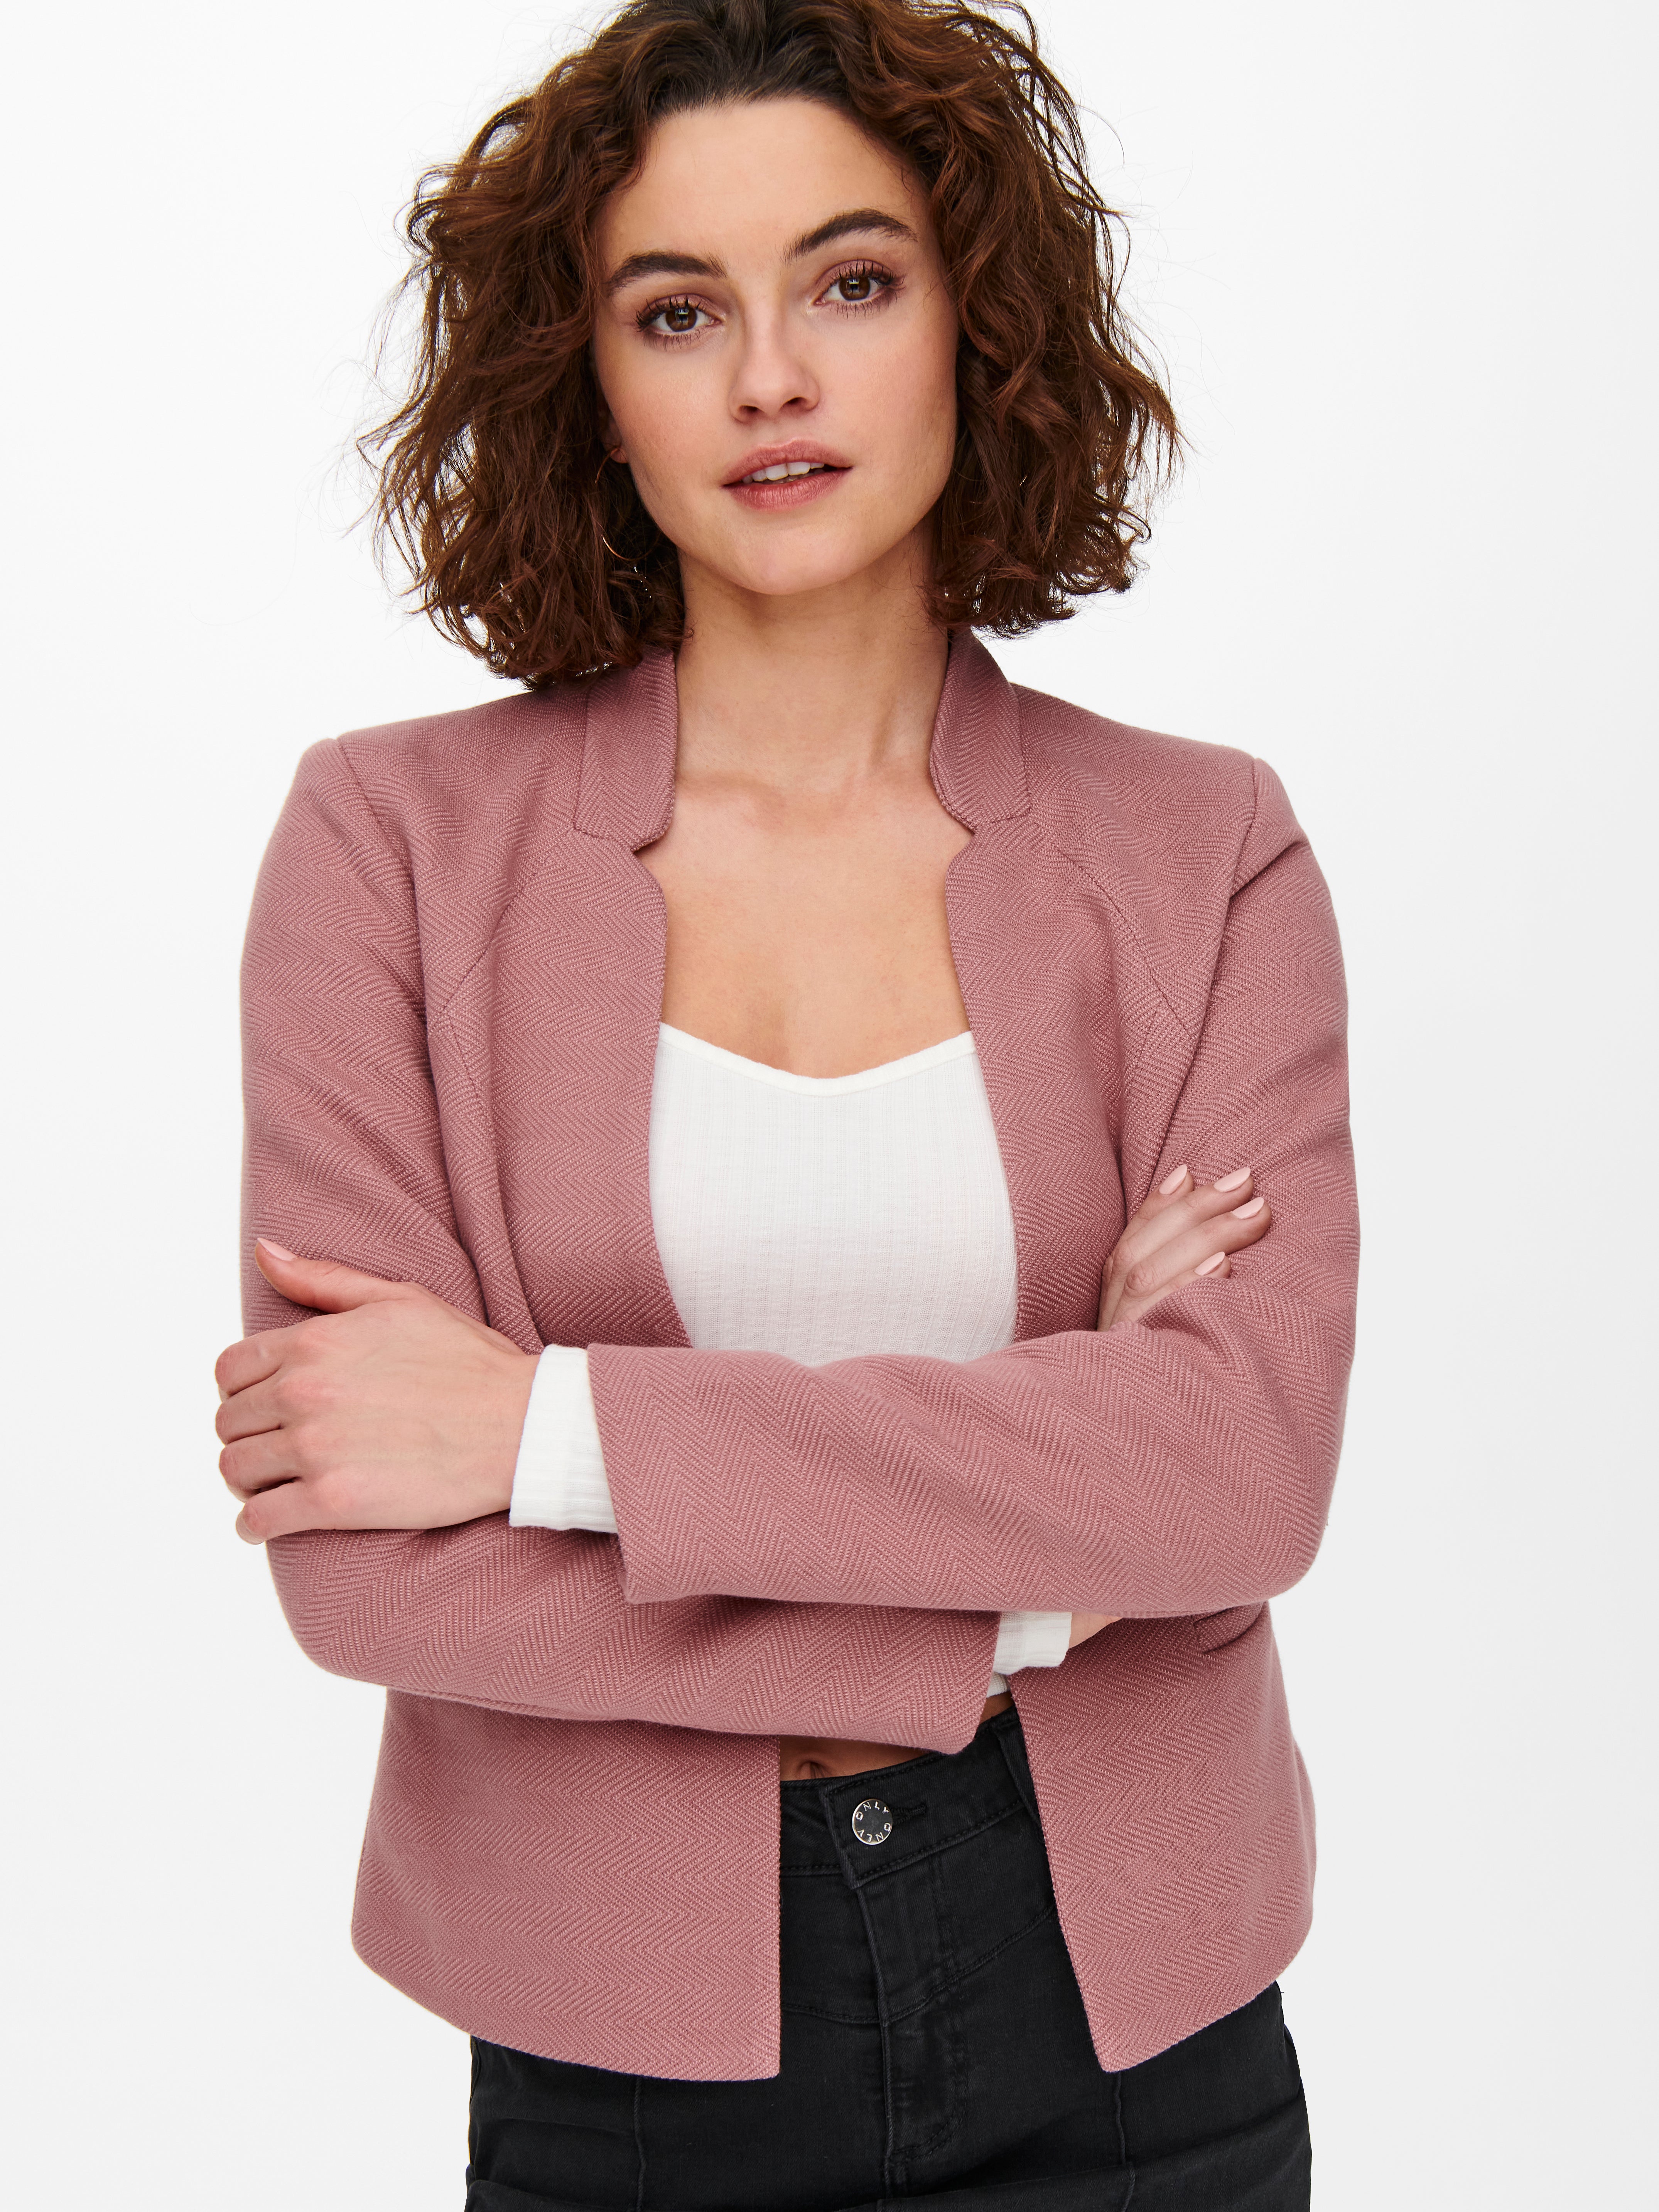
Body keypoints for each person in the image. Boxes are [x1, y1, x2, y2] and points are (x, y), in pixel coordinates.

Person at [215, 2, 1357, 2203]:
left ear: (975, 325)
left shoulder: (1204, 850)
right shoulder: (386, 845)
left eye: (850, 281)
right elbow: (371, 1569)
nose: (769, 378)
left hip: (1137, 2025)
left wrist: (546, 1434)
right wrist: (1038, 1579)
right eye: (676, 310)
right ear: (589, 383)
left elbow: (1241, 1473)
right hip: (622, 2050)